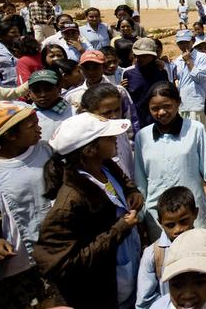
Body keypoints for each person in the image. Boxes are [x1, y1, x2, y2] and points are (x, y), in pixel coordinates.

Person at [34, 113, 142, 308]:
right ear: (90, 150)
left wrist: (132, 192)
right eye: (109, 138)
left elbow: (123, 182)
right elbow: (60, 264)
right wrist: (120, 229)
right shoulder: (70, 201)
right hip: (102, 292)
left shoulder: (106, 167)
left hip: (125, 279)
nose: (116, 139)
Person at [134, 82, 206, 240]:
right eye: (154, 108)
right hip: (159, 220)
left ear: (178, 102)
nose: (161, 112)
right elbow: (141, 183)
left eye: (167, 106)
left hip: (193, 215)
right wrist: (140, 217)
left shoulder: (195, 129)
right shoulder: (142, 136)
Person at [0, 101, 54, 307]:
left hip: (53, 252)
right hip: (17, 265)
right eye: (31, 126)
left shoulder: (46, 151)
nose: (39, 129)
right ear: (11, 135)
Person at [136, 186, 199, 309]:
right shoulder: (153, 254)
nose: (178, 230)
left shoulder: (205, 244)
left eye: (184, 221)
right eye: (170, 225)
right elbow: (144, 302)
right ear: (160, 223)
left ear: (195, 213)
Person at [123, 38, 169, 128]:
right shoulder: (129, 74)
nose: (139, 59)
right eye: (137, 56)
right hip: (138, 122)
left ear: (152, 56)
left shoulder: (161, 73)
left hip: (160, 120)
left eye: (143, 56)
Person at [29, 68, 72, 141]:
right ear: (29, 93)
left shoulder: (74, 113)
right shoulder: (26, 117)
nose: (43, 94)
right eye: (36, 90)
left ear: (59, 89)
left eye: (48, 89)